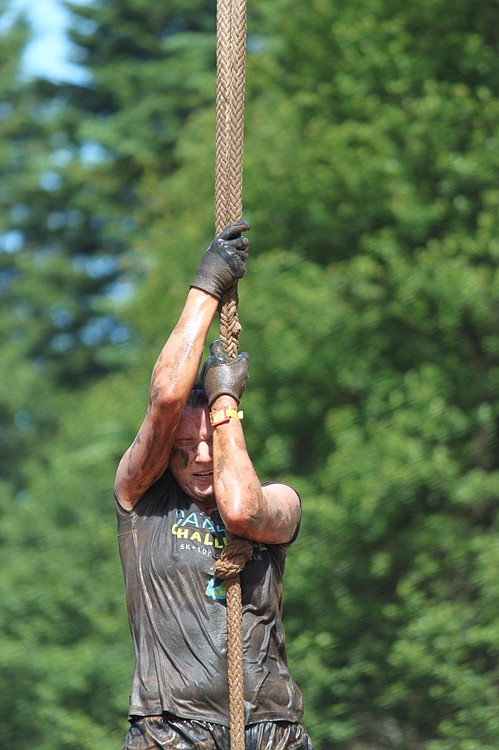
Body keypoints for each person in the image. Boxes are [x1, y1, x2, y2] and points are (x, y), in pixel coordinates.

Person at [114, 220, 313, 750]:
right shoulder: (141, 501)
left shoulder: (283, 504)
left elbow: (242, 510)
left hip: (272, 729)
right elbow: (165, 402)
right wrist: (206, 286)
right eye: (182, 451)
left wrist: (224, 402)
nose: (199, 458)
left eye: (209, 444)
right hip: (171, 728)